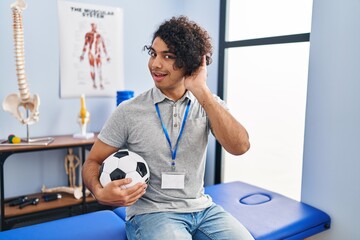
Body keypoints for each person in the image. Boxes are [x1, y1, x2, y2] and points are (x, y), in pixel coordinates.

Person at [82, 16, 254, 240]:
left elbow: (240, 146)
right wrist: (99, 191)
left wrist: (202, 92)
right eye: (153, 53)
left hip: (202, 209)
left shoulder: (209, 105)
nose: (155, 64)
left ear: (190, 63)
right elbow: (92, 162)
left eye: (168, 56)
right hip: (152, 214)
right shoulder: (129, 111)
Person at [80, 22, 110, 89]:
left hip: (97, 54)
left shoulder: (99, 35)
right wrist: (82, 55)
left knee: (99, 69)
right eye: (93, 26)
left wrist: (107, 56)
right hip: (91, 54)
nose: (94, 27)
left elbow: (103, 46)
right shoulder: (88, 34)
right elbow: (85, 45)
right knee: (92, 69)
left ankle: (101, 83)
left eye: (95, 26)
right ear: (91, 26)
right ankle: (94, 83)